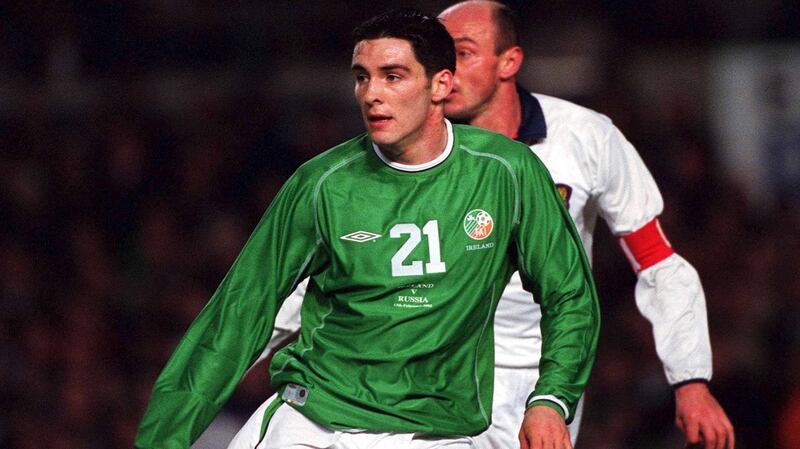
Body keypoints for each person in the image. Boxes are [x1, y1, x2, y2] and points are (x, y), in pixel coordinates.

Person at [231, 2, 735, 449]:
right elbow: (339, 269)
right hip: (430, 367)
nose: (446, 67)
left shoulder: (586, 139)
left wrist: (689, 379)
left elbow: (657, 262)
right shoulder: (410, 147)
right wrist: (238, 355)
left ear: (509, 62)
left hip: (542, 380)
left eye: (464, 53)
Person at [135, 8, 600, 449]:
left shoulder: (506, 173)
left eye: (392, 76)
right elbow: (238, 314)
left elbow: (569, 294)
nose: (371, 93)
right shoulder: (322, 184)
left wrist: (551, 399)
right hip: (312, 420)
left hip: (433, 432)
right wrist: (160, 439)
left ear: (440, 84)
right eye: (362, 77)